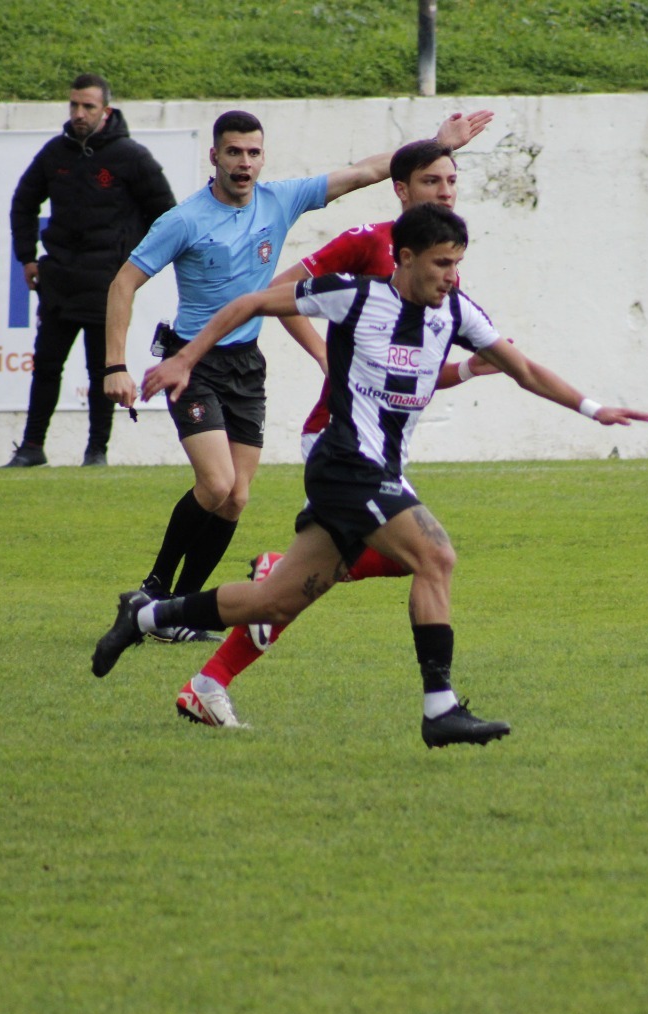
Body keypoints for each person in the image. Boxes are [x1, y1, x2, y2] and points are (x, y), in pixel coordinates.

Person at [91, 203, 648, 749]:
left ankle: (145, 615)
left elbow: (524, 369)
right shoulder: (353, 296)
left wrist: (593, 409)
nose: (451, 276)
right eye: (442, 263)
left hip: (378, 469)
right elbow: (249, 304)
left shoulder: (457, 313)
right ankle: (440, 709)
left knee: (273, 602)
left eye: (458, 263)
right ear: (404, 257)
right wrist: (186, 358)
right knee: (436, 556)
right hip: (344, 463)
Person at [100, 108, 493, 643]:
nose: (244, 162)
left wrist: (436, 143)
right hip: (191, 360)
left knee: (236, 497)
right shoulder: (184, 220)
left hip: (245, 364)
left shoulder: (279, 199)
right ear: (213, 156)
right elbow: (123, 282)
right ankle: (152, 588)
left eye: (253, 152)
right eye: (233, 152)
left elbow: (363, 172)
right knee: (215, 484)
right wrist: (115, 365)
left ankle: (176, 611)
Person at [173, 137, 503, 725]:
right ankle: (210, 666)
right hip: (339, 437)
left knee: (360, 569)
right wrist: (328, 358)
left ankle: (211, 669)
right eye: (431, 182)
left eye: (451, 182)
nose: (445, 192)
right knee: (408, 560)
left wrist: (468, 368)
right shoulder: (367, 244)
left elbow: (415, 372)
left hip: (382, 442)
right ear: (401, 190)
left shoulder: (441, 261)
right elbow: (280, 294)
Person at [4, 72, 176, 469]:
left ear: (106, 110)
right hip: (59, 279)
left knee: (104, 369)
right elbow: (23, 202)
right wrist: (27, 256)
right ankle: (31, 447)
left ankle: (96, 451)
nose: (79, 114)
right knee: (46, 365)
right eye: (74, 105)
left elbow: (167, 215)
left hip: (107, 283)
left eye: (88, 107)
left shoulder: (131, 156)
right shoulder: (55, 153)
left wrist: (135, 265)